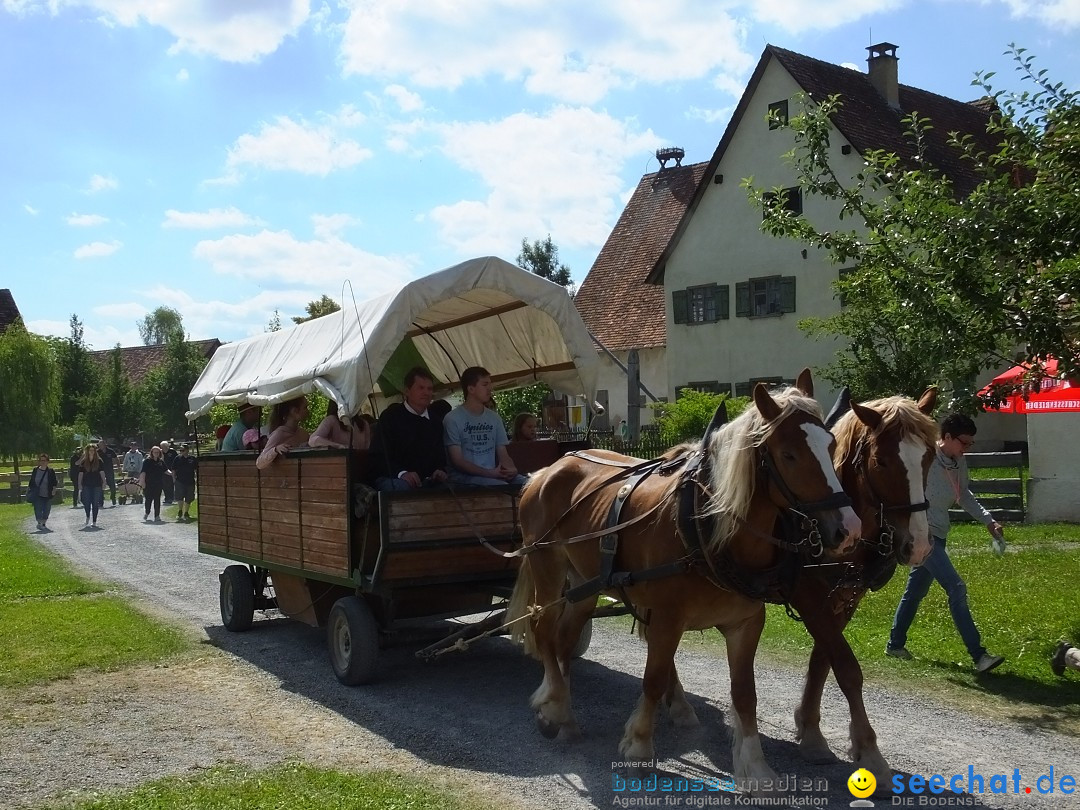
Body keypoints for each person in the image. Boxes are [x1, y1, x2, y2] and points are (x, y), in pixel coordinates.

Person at [887, 412, 1006, 674]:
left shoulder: (958, 461)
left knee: (915, 592)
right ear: (947, 437)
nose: (967, 449)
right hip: (923, 536)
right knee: (956, 588)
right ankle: (979, 655)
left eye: (970, 444)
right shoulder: (926, 457)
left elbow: (963, 494)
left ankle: (894, 644)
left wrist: (988, 521)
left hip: (939, 532)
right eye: (964, 443)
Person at [444, 366, 526, 488]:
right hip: (464, 478)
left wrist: (511, 469)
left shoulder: (494, 418)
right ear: (471, 389)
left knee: (530, 485)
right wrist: (490, 473)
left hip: (493, 474)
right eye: (485, 384)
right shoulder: (452, 419)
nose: (490, 388)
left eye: (490, 384)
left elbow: (503, 453)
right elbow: (458, 461)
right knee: (500, 488)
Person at [370, 367, 449, 491]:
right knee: (401, 488)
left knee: (452, 488)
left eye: (429, 388)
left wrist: (440, 471)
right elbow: (378, 457)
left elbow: (440, 457)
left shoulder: (435, 421)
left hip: (427, 481)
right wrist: (402, 473)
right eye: (421, 388)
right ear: (407, 391)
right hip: (393, 478)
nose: (426, 393)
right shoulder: (390, 417)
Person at [256, 397, 310, 470]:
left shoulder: (303, 433)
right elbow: (260, 463)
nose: (307, 411)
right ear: (294, 411)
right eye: (305, 407)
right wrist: (275, 450)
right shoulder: (279, 434)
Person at [77, 443, 107, 527]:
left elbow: (102, 472)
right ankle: (87, 516)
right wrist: (79, 483)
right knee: (86, 502)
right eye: (90, 450)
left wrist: (104, 482)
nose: (91, 452)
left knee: (95, 503)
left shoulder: (99, 461)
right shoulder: (83, 461)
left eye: (93, 450)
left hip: (97, 484)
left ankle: (94, 521)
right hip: (86, 484)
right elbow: (80, 474)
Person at [27, 453, 59, 531]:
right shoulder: (35, 470)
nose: (43, 462)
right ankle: (39, 522)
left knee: (47, 509)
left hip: (47, 493)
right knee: (38, 508)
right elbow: (31, 481)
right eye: (41, 460)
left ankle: (43, 523)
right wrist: (29, 490)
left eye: (44, 460)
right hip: (37, 493)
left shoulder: (50, 471)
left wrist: (54, 490)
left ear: (47, 461)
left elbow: (54, 482)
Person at [139, 445, 168, 522]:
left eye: (158, 452)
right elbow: (143, 472)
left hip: (158, 484)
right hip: (148, 484)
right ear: (151, 452)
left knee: (157, 500)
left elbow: (166, 470)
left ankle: (157, 515)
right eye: (155, 452)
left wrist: (173, 474)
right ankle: (147, 512)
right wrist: (142, 482)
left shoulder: (161, 461)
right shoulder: (147, 461)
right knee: (148, 500)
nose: (156, 453)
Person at [171, 444, 198, 521]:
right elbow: (173, 469)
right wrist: (173, 479)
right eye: (180, 450)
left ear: (187, 450)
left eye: (183, 450)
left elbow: (196, 469)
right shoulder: (177, 458)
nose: (181, 452)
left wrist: (196, 479)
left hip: (190, 481)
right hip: (179, 481)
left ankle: (186, 512)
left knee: (189, 497)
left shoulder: (192, 459)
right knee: (179, 497)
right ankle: (180, 511)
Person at [96, 438, 118, 506]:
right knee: (100, 485)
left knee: (112, 485)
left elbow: (116, 459)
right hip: (100, 471)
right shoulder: (97, 452)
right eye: (100, 445)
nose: (101, 446)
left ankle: (113, 497)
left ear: (105, 445)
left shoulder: (110, 451)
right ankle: (101, 500)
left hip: (109, 470)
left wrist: (118, 467)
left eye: (102, 444)